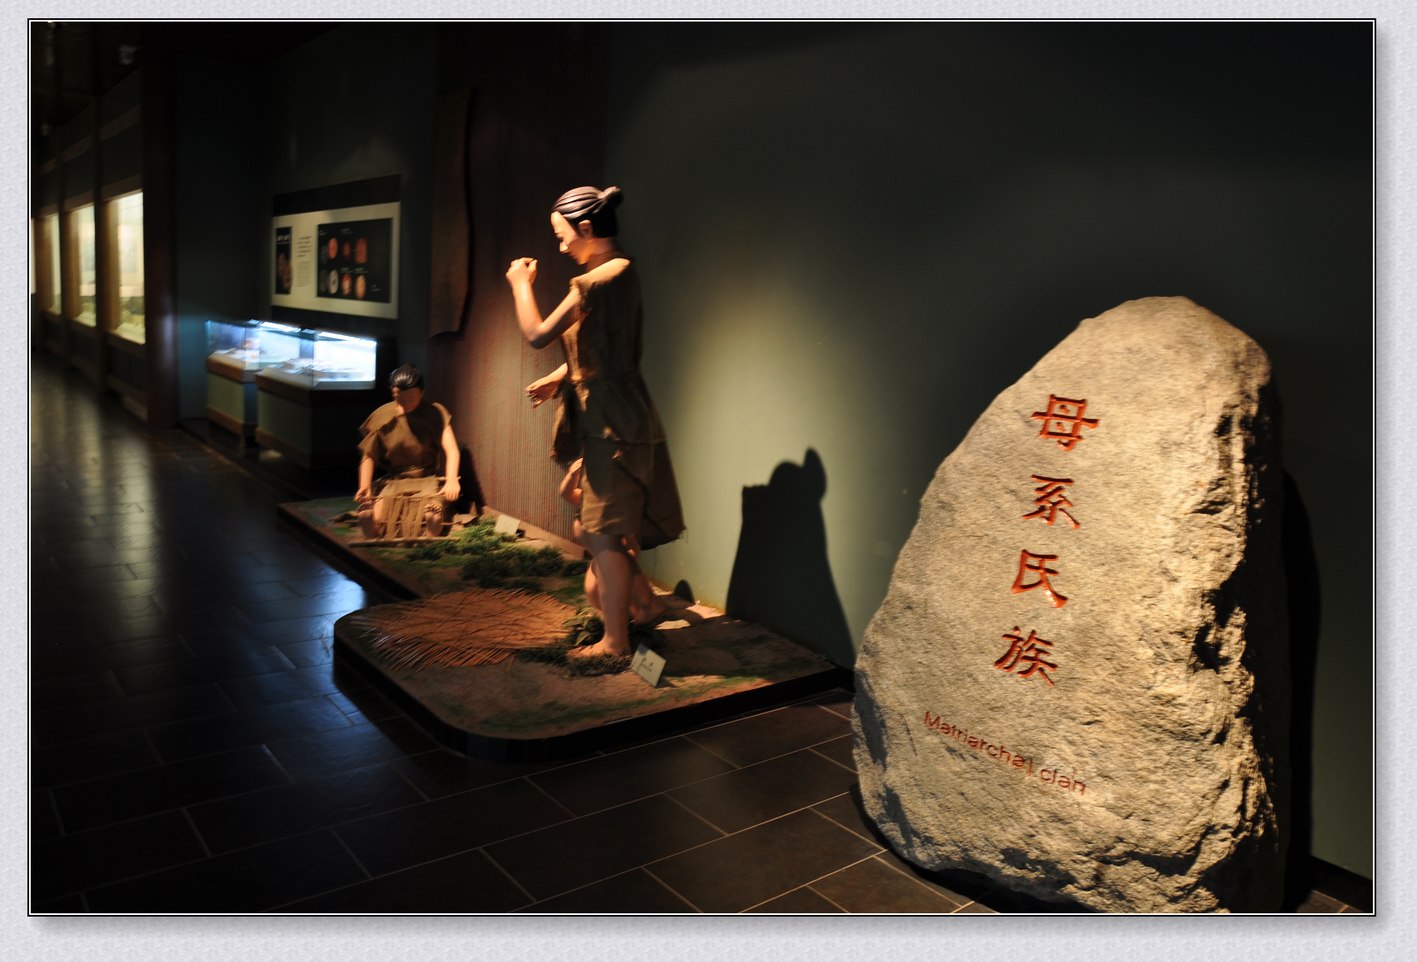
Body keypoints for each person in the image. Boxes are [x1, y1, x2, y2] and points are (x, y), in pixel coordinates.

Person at [507, 185, 685, 658]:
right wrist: (560, 377)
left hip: (612, 422)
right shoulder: (617, 271)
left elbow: (537, 332)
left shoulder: (597, 280)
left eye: (562, 235)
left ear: (586, 228)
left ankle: (615, 642)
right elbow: (603, 348)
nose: (560, 245)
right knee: (592, 519)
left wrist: (520, 285)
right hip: (612, 414)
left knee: (602, 529)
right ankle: (643, 606)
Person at [355, 363, 461, 538]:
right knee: (379, 515)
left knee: (432, 511)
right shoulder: (383, 416)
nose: (405, 404)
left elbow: (452, 450)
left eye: (411, 398)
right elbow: (368, 455)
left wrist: (451, 480)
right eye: (399, 398)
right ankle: (370, 523)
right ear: (392, 393)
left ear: (422, 392)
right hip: (395, 481)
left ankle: (431, 527)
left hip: (427, 479)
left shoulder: (435, 412)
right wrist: (364, 485)